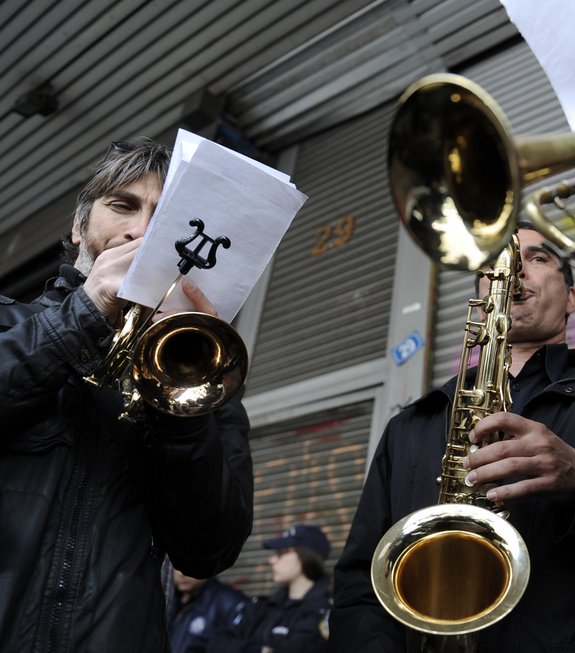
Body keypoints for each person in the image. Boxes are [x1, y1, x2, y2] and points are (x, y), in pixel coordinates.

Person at [330, 225, 575, 652]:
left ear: (572, 298)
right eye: (494, 264)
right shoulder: (412, 424)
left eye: (539, 259)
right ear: (482, 295)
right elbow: (361, 584)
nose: (514, 269)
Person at [0, 138, 254, 651]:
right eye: (123, 206)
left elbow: (209, 551)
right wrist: (83, 315)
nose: (141, 231)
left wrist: (181, 404)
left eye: (163, 219)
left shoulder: (199, 374)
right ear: (78, 229)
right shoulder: (9, 321)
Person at [208, 524, 333, 653]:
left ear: (306, 557)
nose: (272, 560)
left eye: (281, 553)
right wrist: (260, 650)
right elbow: (216, 643)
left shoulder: (324, 612)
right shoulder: (262, 606)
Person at [169, 568, 249, 653]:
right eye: (176, 566)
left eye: (189, 562)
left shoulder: (228, 601)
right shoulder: (167, 602)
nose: (182, 574)